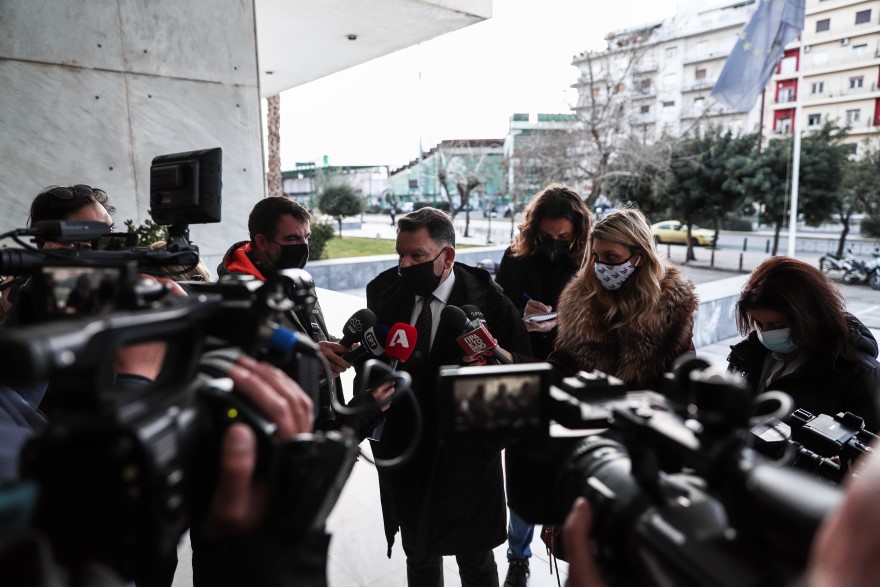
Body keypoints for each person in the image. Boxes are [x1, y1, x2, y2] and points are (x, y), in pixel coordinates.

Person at [364, 207, 532, 587]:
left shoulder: (489, 303)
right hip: (408, 457)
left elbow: (519, 377)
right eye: (400, 255)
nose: (405, 265)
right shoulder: (386, 292)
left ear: (448, 256)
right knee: (419, 556)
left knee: (476, 562)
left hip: (466, 461)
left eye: (417, 256)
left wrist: (489, 370)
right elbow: (372, 359)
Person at [494, 184, 592, 586]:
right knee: (523, 463)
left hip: (571, 371)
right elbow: (497, 308)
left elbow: (599, 317)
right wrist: (521, 312)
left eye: (563, 237)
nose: (554, 243)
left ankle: (572, 552)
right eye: (547, 236)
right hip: (523, 366)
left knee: (569, 464)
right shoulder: (515, 256)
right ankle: (519, 556)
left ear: (577, 233)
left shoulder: (589, 260)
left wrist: (562, 321)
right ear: (535, 229)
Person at [727, 256, 880, 431]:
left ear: (812, 317)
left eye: (778, 326)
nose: (767, 333)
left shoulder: (862, 375)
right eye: (759, 324)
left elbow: (868, 443)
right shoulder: (746, 356)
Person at [551, 208, 698, 390]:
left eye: (610, 256)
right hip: (591, 405)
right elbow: (562, 366)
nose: (600, 266)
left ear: (639, 257)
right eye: (596, 256)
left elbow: (683, 376)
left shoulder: (672, 307)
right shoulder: (581, 301)